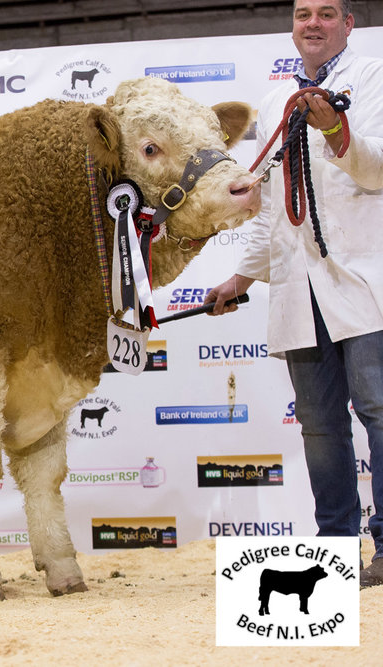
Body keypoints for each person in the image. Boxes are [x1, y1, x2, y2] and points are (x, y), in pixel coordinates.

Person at [206, 0, 383, 587]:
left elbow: (378, 170)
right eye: (303, 13)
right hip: (298, 285)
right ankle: (334, 551)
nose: (313, 23)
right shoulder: (277, 98)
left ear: (348, 24)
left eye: (327, 13)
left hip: (363, 279)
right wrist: (242, 276)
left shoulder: (375, 77)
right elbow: (273, 206)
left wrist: (336, 129)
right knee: (319, 424)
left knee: (380, 412)